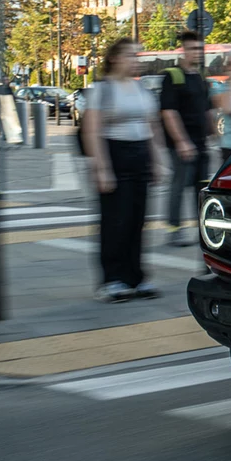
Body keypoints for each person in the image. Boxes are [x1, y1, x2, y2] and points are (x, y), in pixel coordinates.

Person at [84, 38, 166, 303]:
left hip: (140, 155)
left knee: (137, 219)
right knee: (115, 221)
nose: (136, 60)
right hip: (114, 154)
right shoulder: (102, 90)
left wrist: (157, 160)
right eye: (131, 56)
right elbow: (92, 131)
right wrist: (102, 168)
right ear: (115, 58)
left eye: (136, 55)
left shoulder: (141, 89)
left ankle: (136, 276)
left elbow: (152, 127)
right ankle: (112, 279)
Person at [160, 30, 215, 247]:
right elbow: (168, 112)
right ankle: (174, 229)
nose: (197, 53)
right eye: (192, 49)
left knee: (201, 189)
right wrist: (181, 141)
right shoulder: (172, 75)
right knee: (179, 185)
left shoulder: (199, 76)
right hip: (181, 145)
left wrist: (214, 134)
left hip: (201, 143)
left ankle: (201, 229)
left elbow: (206, 109)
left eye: (199, 49)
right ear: (183, 50)